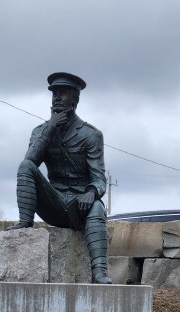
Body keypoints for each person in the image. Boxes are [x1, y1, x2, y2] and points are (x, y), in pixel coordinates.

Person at [14, 71, 112, 283]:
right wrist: (50, 128)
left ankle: (99, 271)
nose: (57, 97)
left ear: (75, 99)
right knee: (25, 166)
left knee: (97, 207)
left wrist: (92, 192)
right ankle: (24, 224)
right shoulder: (41, 131)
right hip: (54, 202)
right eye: (54, 93)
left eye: (63, 93)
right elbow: (29, 162)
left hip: (80, 208)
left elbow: (99, 178)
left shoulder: (91, 135)